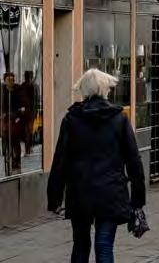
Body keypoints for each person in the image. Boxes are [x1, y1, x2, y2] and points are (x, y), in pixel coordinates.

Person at [47, 69, 146, 263]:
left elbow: (61, 161)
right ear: (104, 89)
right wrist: (137, 200)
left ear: (84, 90)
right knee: (104, 244)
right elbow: (134, 161)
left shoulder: (72, 120)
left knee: (81, 244)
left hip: (80, 191)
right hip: (110, 192)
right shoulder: (119, 120)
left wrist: (54, 198)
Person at [1, 72, 22, 175]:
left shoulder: (17, 91)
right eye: (9, 80)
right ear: (5, 81)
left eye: (12, 80)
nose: (11, 82)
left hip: (14, 120)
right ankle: (8, 158)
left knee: (16, 142)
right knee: (6, 140)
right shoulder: (2, 92)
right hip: (5, 121)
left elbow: (21, 106)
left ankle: (16, 162)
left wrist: (18, 115)